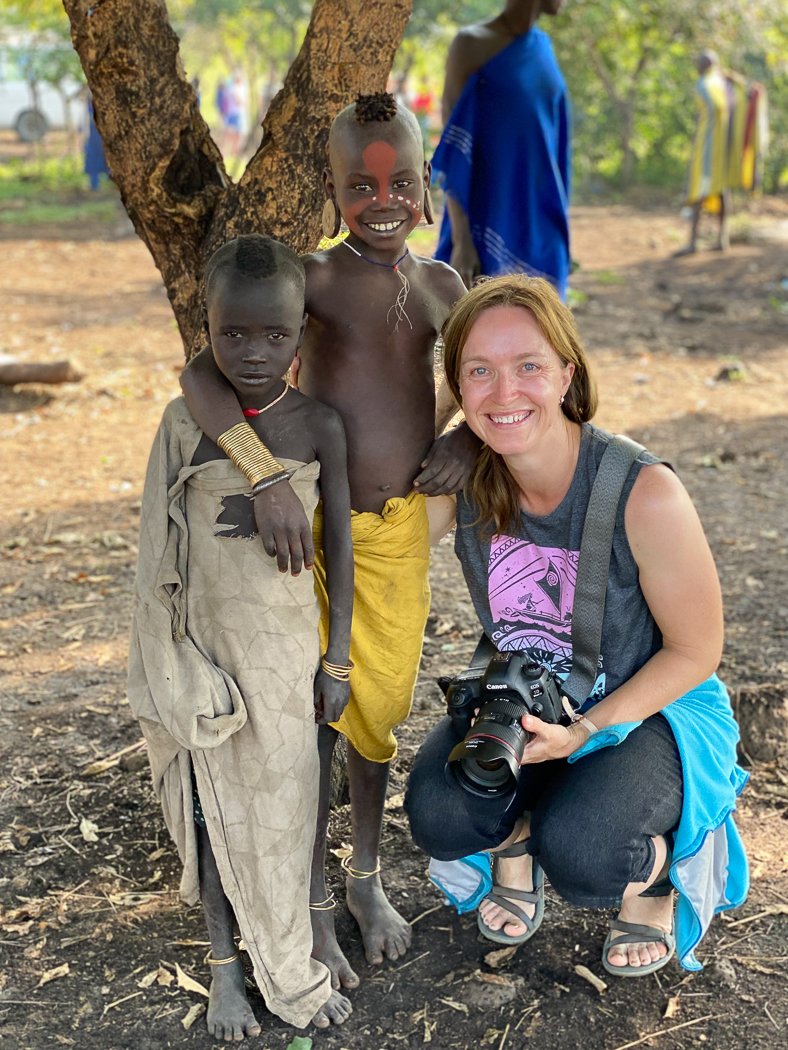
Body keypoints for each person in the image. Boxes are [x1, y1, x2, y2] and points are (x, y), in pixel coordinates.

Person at [179, 94, 475, 989]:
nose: (381, 200)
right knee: (307, 717)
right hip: (301, 529)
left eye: (400, 182)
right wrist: (264, 473)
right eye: (360, 185)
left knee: (375, 717)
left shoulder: (442, 289)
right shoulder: (309, 279)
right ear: (333, 191)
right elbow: (202, 374)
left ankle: (365, 879)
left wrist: (465, 436)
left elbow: (481, 376)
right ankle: (304, 898)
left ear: (426, 187)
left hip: (393, 540)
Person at [405, 274, 749, 976]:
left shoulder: (643, 492)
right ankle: (517, 843)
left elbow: (696, 651)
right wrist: (454, 422)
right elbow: (378, 511)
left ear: (567, 373)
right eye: (480, 372)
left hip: (648, 705)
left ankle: (659, 873)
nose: (505, 392)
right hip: (524, 700)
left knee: (589, 860)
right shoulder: (468, 481)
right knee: (439, 814)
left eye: (528, 367)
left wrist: (588, 732)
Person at [127, 235, 355, 1038]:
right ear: (208, 328)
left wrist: (339, 658)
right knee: (209, 806)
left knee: (291, 800)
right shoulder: (184, 421)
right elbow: (162, 555)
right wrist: (172, 660)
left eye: (275, 336)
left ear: (301, 334)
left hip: (289, 658)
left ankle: (300, 940)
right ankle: (226, 969)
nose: (254, 353)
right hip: (202, 656)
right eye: (234, 334)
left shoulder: (321, 425)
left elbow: (339, 553)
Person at [433, 1, 571, 295]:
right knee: (478, 328)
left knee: (544, 333)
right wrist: (461, 240)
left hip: (544, 229)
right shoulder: (471, 45)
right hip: (487, 224)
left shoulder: (542, 46)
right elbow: (453, 147)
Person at [675, 50, 769, 257]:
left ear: (705, 65)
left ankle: (693, 243)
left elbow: (717, 108)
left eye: (699, 62)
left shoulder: (705, 84)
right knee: (720, 191)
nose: (696, 66)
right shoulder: (724, 83)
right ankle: (721, 239)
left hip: (709, 149)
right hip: (725, 148)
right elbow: (745, 95)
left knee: (699, 192)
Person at [83, 93, 109, 192]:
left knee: (98, 158)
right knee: (102, 158)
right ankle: (96, 183)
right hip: (98, 137)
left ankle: (96, 183)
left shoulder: (93, 107)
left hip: (97, 137)